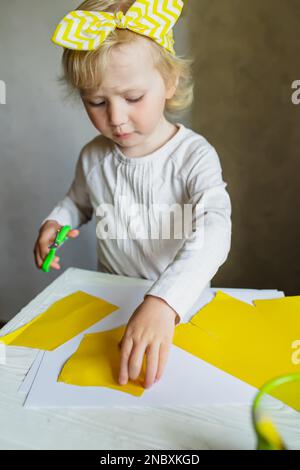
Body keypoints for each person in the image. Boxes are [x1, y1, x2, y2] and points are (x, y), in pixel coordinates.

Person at [33, 0, 232, 390]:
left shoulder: (194, 156)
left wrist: (164, 302)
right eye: (97, 102)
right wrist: (57, 221)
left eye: (133, 98)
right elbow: (79, 202)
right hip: (112, 301)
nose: (117, 117)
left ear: (169, 82)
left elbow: (216, 228)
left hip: (179, 307)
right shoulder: (93, 156)